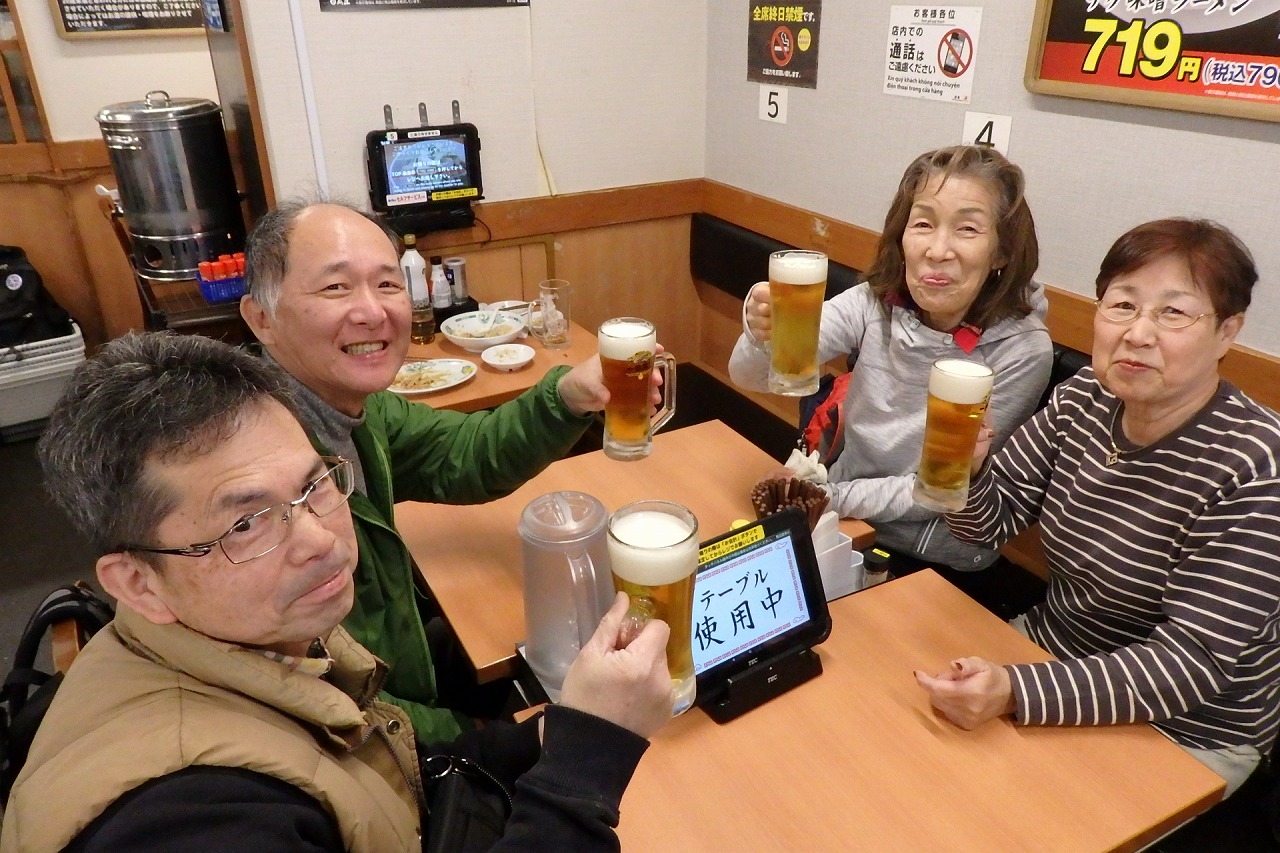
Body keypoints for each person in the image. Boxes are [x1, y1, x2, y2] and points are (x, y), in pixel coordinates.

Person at [2, 332, 672, 852]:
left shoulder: (259, 638)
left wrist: (553, 735)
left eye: (314, 485)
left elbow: (377, 771)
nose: (319, 538)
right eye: (246, 523)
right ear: (138, 583)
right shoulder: (193, 819)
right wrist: (585, 763)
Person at [238, 200, 643, 744]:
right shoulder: (257, 482)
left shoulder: (359, 410)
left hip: (404, 673)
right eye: (335, 288)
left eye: (388, 284)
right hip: (369, 742)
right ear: (261, 318)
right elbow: (327, 701)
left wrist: (566, 397)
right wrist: (473, 738)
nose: (372, 311)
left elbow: (464, 455)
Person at [915, 219, 1280, 797]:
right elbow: (986, 525)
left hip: (1184, 728)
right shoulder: (1085, 396)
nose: (1138, 333)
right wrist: (966, 469)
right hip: (1048, 654)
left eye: (1173, 313)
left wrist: (1016, 691)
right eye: (1122, 305)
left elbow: (1192, 664)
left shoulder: (1257, 465)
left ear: (1227, 332)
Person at [728, 145, 1053, 573]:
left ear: (1002, 252)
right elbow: (749, 376)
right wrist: (760, 332)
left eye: (967, 229)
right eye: (923, 224)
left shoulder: (1023, 350)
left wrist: (824, 496)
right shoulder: (876, 301)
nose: (937, 250)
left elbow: (940, 491)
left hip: (933, 555)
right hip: (845, 521)